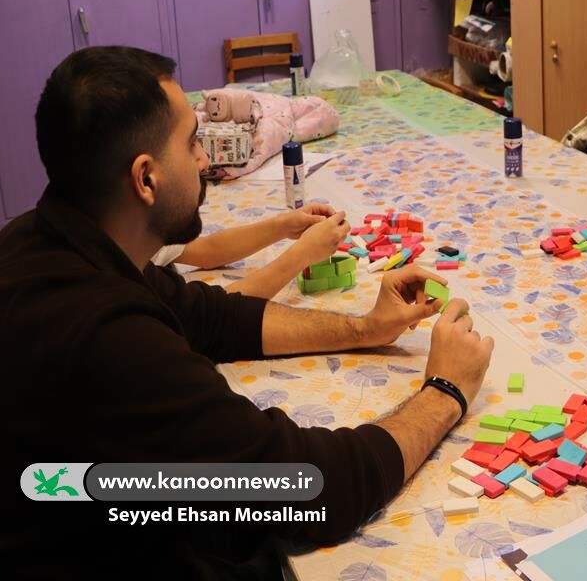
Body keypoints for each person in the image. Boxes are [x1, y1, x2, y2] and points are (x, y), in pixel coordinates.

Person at [0, 46, 494, 579]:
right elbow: (311, 490)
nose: (204, 160)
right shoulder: (111, 339)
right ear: (145, 179)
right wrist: (445, 391)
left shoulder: (51, 240)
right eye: (191, 142)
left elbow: (211, 317)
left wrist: (365, 328)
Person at [153, 202, 351, 299]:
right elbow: (217, 314)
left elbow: (206, 251)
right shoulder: (141, 288)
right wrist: (303, 254)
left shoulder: (144, 238)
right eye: (190, 145)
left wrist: (283, 226)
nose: (204, 160)